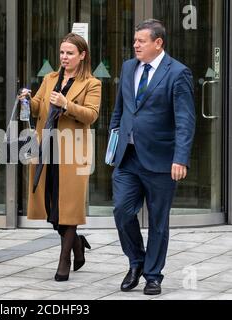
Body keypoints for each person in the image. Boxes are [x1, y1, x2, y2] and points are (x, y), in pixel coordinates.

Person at [109, 19, 196, 295]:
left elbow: (185, 119)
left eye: (141, 41)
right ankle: (136, 261)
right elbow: (120, 110)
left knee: (158, 221)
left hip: (161, 159)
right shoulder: (127, 67)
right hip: (128, 157)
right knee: (122, 211)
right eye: (135, 41)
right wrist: (114, 140)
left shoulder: (178, 73)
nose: (135, 45)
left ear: (158, 43)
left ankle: (153, 275)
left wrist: (180, 158)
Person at [20, 33, 102, 281]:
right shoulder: (49, 78)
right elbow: (38, 108)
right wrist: (27, 100)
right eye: (62, 53)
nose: (64, 57)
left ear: (82, 56)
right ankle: (76, 242)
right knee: (51, 207)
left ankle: (64, 258)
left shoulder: (92, 83)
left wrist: (67, 104)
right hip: (46, 147)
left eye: (70, 53)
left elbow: (91, 115)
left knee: (69, 208)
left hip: (72, 151)